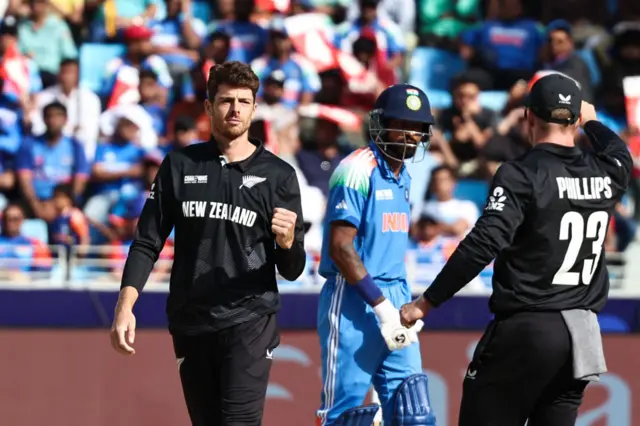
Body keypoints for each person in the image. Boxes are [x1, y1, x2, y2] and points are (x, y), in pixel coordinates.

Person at [400, 74, 633, 426]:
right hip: (582, 335)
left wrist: (426, 302)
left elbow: (483, 244)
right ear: (575, 119)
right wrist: (594, 121)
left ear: (529, 117)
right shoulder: (608, 171)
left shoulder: (521, 173)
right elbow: (620, 153)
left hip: (528, 327)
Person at [109, 61, 307, 426]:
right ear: (208, 107)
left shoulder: (279, 176)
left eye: (244, 102)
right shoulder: (180, 165)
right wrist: (125, 306)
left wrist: (288, 240)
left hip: (249, 318)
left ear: (254, 107)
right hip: (192, 319)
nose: (235, 109)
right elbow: (146, 243)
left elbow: (292, 269)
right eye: (226, 100)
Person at [316, 84, 437, 426]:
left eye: (418, 128)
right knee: (346, 416)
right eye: (402, 124)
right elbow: (341, 247)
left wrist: (397, 306)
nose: (411, 135)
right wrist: (381, 307)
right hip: (354, 298)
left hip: (396, 297)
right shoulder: (356, 169)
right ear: (381, 124)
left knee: (414, 414)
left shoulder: (404, 175)